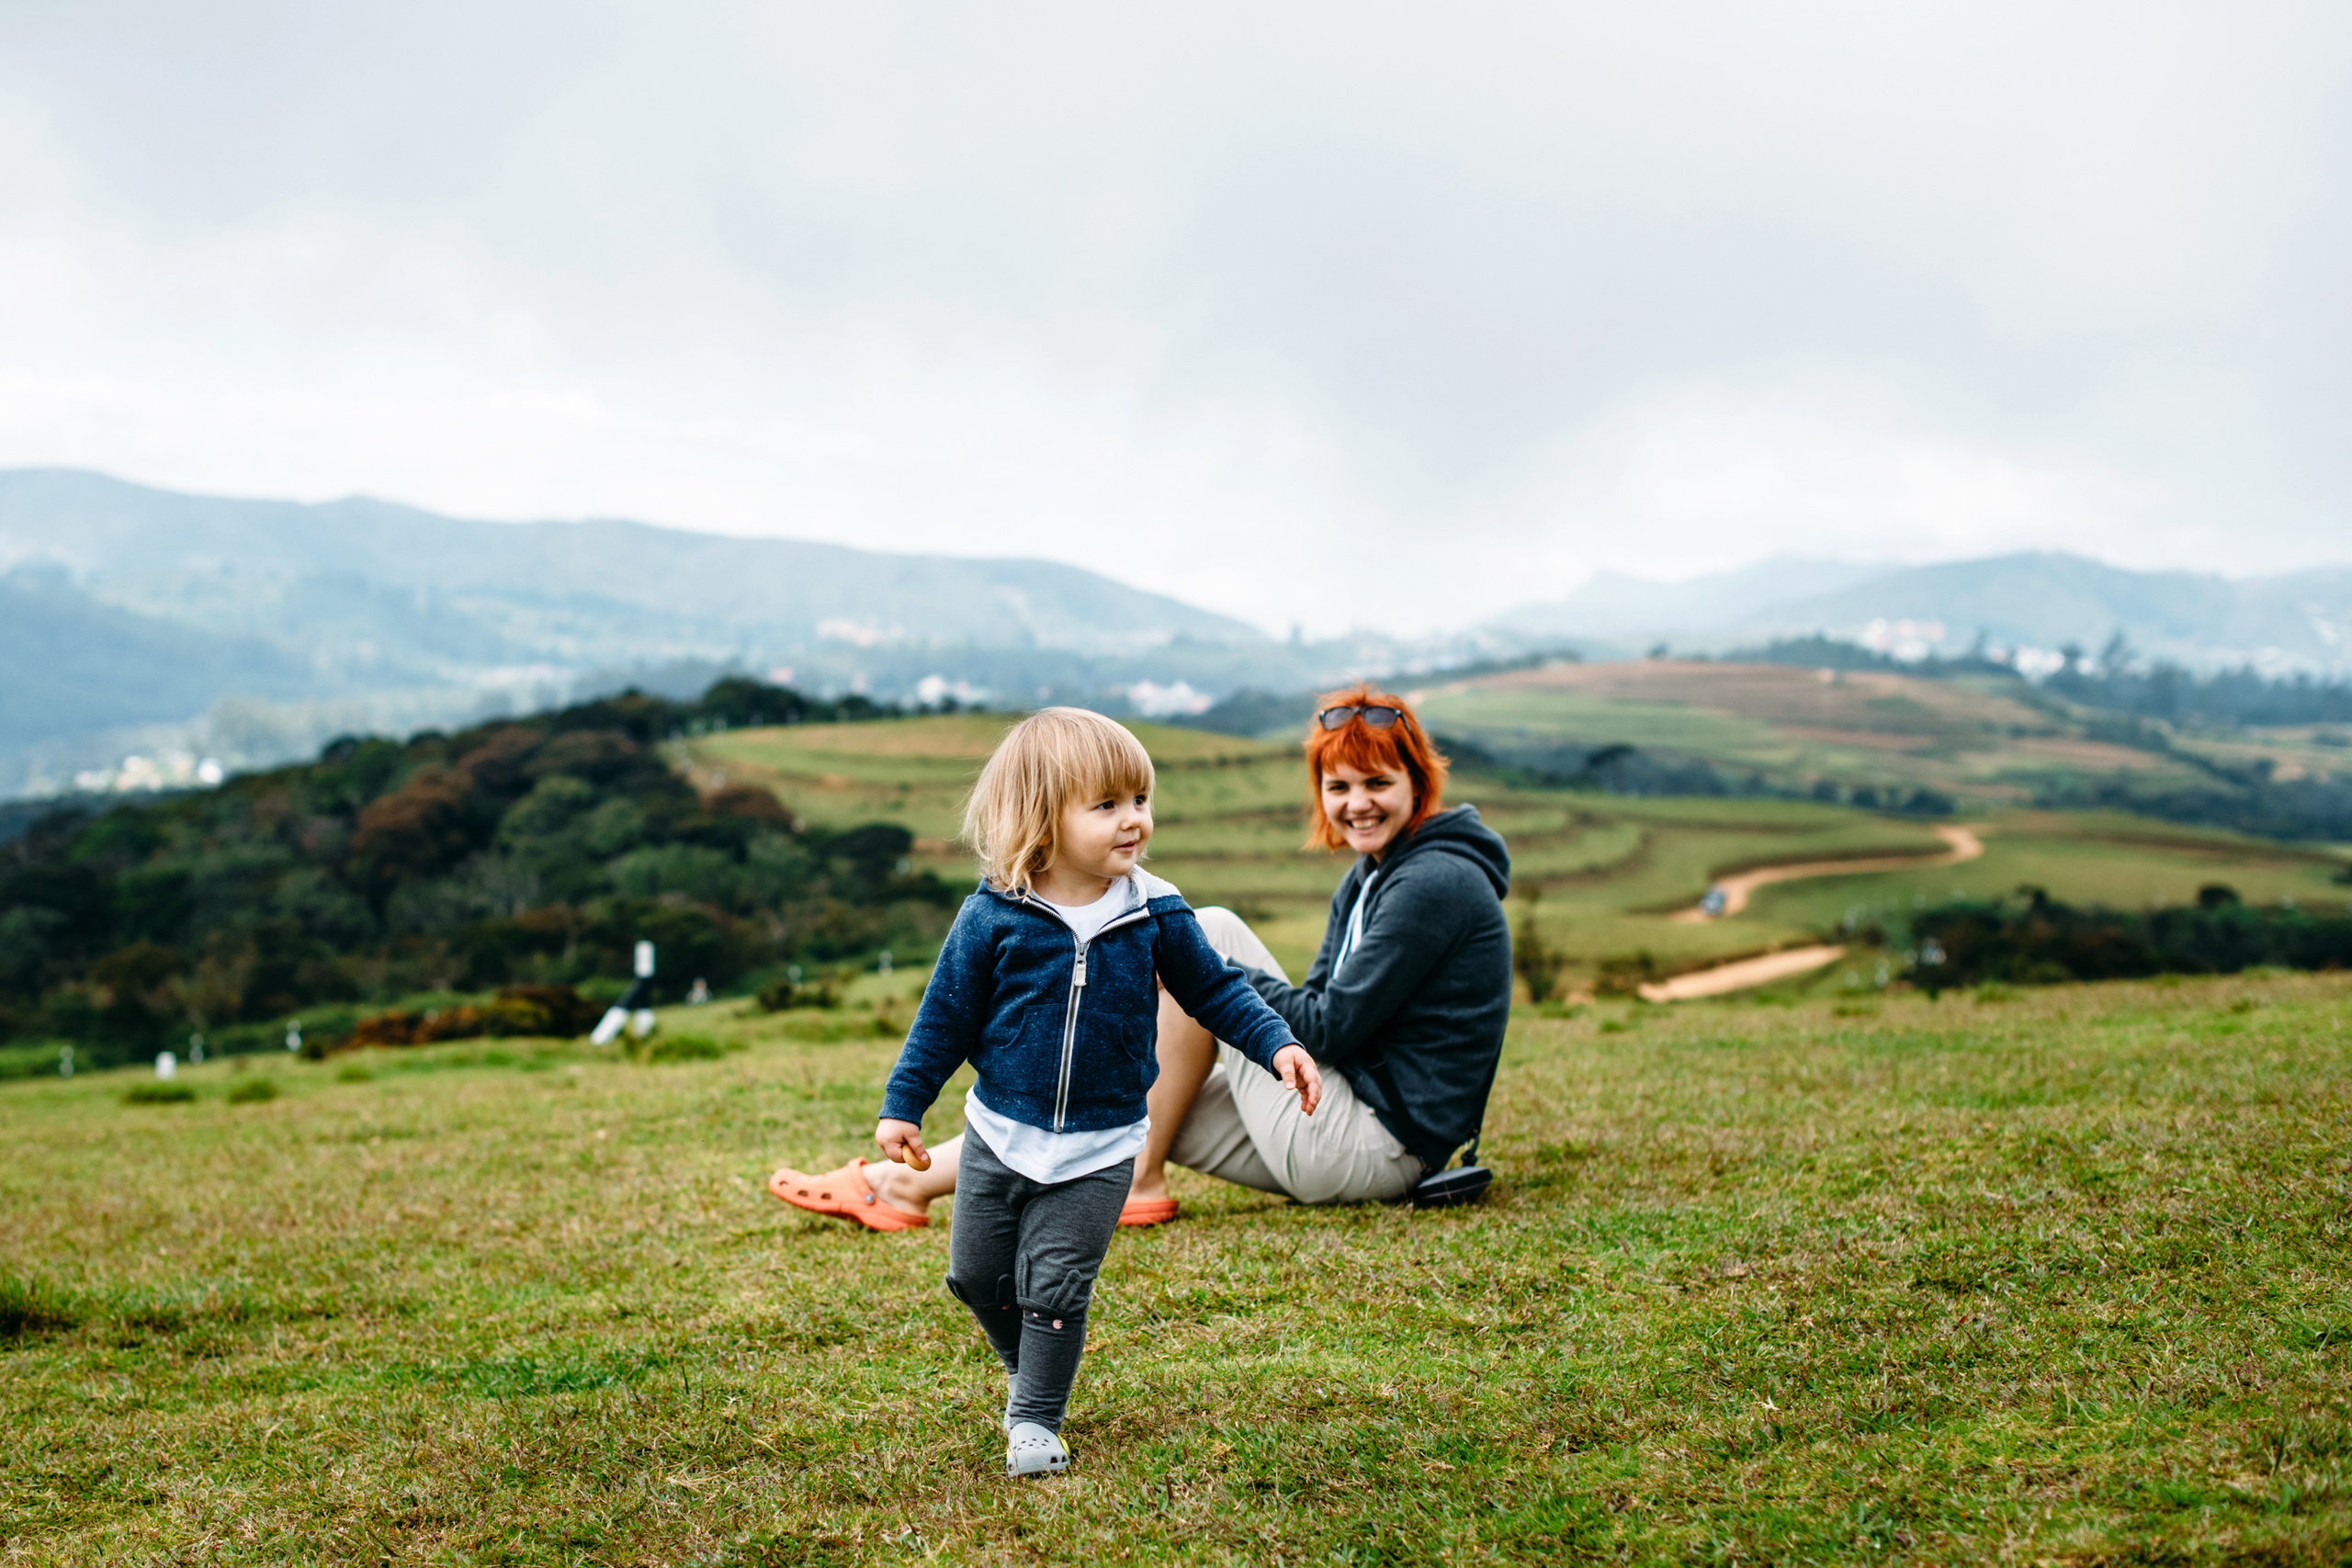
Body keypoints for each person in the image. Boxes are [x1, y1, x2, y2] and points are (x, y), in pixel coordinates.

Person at [768, 683, 1510, 1227]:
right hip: (1344, 1116)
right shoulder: (1377, 872)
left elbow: (1331, 1023)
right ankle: (901, 1187)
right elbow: (1325, 1005)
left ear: (1421, 781)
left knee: (1205, 928)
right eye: (1338, 785)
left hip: (1378, 1144)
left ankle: (1135, 1177)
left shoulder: (1434, 881)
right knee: (1128, 1095)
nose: (1357, 803)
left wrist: (1188, 971)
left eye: (1379, 782)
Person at [864, 707, 1322, 1477]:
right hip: (998, 1134)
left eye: (1139, 799)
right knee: (974, 1275)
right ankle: (1033, 1366)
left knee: (1054, 1286)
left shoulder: (1154, 909)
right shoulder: (992, 914)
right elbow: (943, 1016)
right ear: (1044, 815)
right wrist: (901, 1104)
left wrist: (1278, 1043)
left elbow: (1218, 991)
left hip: (1102, 1145)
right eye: (1106, 805)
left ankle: (1035, 1416)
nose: (1133, 820)